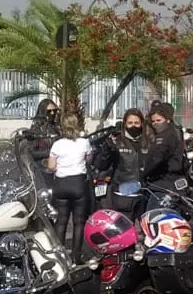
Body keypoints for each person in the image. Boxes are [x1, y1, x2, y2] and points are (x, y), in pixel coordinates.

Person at [47, 113, 92, 263]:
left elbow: (51, 166)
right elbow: (89, 159)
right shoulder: (84, 142)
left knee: (61, 221)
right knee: (79, 221)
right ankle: (76, 255)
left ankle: (60, 257)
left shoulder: (57, 144)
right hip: (78, 184)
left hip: (61, 184)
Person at [95, 108, 152, 216]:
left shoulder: (148, 142)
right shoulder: (116, 142)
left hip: (143, 195)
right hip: (121, 195)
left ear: (142, 124)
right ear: (125, 124)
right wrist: (106, 151)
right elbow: (101, 165)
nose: (133, 126)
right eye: (130, 123)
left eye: (136, 123)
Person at [146, 101, 188, 189]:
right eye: (153, 121)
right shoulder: (175, 131)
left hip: (165, 181)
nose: (155, 124)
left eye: (158, 120)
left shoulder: (165, 135)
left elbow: (158, 158)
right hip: (174, 179)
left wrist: (143, 173)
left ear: (167, 119)